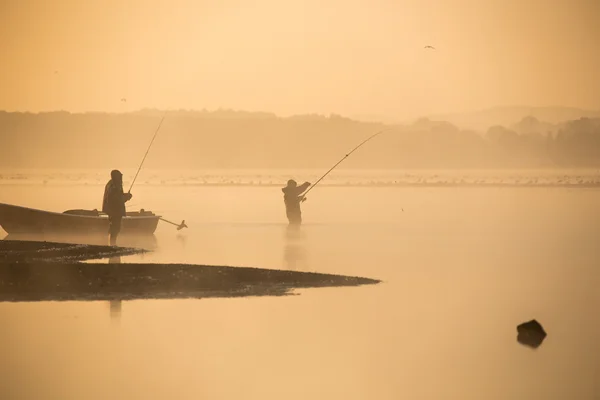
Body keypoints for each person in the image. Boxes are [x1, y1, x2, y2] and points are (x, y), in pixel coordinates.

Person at [102, 170, 132, 246]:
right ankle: (112, 244)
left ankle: (112, 244)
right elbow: (116, 199)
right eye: (120, 177)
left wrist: (125, 196)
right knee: (115, 228)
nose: (121, 179)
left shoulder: (111, 184)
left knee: (114, 227)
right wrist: (126, 197)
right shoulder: (114, 186)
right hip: (114, 211)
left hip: (112, 210)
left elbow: (117, 196)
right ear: (116, 177)